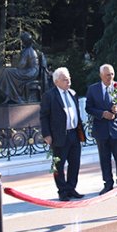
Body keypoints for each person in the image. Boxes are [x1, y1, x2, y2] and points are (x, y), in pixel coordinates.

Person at [40, 67, 84, 201]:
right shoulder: (49, 96)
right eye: (65, 79)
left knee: (75, 163)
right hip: (59, 136)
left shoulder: (72, 93)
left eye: (69, 78)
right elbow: (44, 116)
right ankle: (62, 190)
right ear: (56, 82)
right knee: (59, 165)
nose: (68, 81)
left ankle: (71, 188)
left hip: (74, 134)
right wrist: (46, 134)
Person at [85, 64, 117, 195]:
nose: (110, 77)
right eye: (107, 75)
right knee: (104, 159)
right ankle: (108, 184)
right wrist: (102, 113)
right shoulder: (93, 89)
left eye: (112, 74)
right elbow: (88, 107)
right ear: (101, 76)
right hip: (101, 130)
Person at [0, 31, 39, 104]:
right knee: (8, 73)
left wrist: (15, 63)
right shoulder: (29, 50)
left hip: (30, 72)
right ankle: (9, 96)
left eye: (23, 41)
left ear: (25, 41)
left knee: (7, 71)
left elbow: (21, 65)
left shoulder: (28, 51)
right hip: (31, 71)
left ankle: (2, 91)